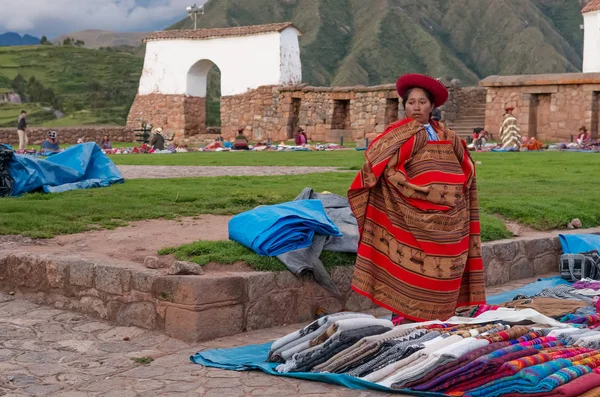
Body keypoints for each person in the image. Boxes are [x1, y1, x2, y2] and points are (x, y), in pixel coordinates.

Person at [348, 73, 485, 323]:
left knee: (444, 272)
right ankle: (403, 319)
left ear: (432, 106)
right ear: (404, 106)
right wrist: (415, 190)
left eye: (422, 102)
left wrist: (449, 191)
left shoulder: (448, 135)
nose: (416, 107)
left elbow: (467, 169)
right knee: (407, 268)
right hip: (408, 216)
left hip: (449, 221)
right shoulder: (395, 135)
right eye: (411, 102)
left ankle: (439, 318)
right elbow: (382, 167)